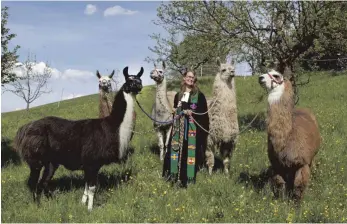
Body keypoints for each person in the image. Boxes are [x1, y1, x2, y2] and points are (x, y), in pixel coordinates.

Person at [162, 68, 209, 187]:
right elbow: (176, 110)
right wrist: (177, 110)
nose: (190, 79)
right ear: (184, 78)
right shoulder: (179, 95)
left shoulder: (199, 96)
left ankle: (188, 179)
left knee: (190, 152)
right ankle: (173, 176)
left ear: (195, 80)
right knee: (176, 151)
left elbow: (204, 114)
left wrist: (192, 112)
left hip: (193, 129)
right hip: (179, 128)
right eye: (188, 77)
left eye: (192, 78)